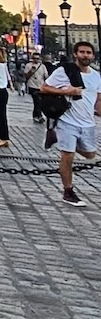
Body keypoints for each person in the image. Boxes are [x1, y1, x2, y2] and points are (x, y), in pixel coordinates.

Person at [42, 40, 101, 209]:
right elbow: (44, 88)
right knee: (67, 156)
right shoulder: (64, 71)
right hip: (67, 120)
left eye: (88, 53)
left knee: (91, 154)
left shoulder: (96, 76)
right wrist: (66, 91)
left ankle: (57, 139)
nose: (85, 55)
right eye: (81, 52)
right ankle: (68, 191)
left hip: (87, 122)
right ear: (75, 54)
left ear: (93, 55)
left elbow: (98, 100)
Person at [25, 53, 49, 124]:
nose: (36, 60)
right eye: (34, 58)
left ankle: (35, 115)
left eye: (37, 58)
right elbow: (26, 76)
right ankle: (39, 116)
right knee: (37, 100)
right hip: (32, 86)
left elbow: (46, 76)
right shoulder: (28, 65)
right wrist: (31, 71)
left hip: (40, 86)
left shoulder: (42, 66)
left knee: (39, 102)